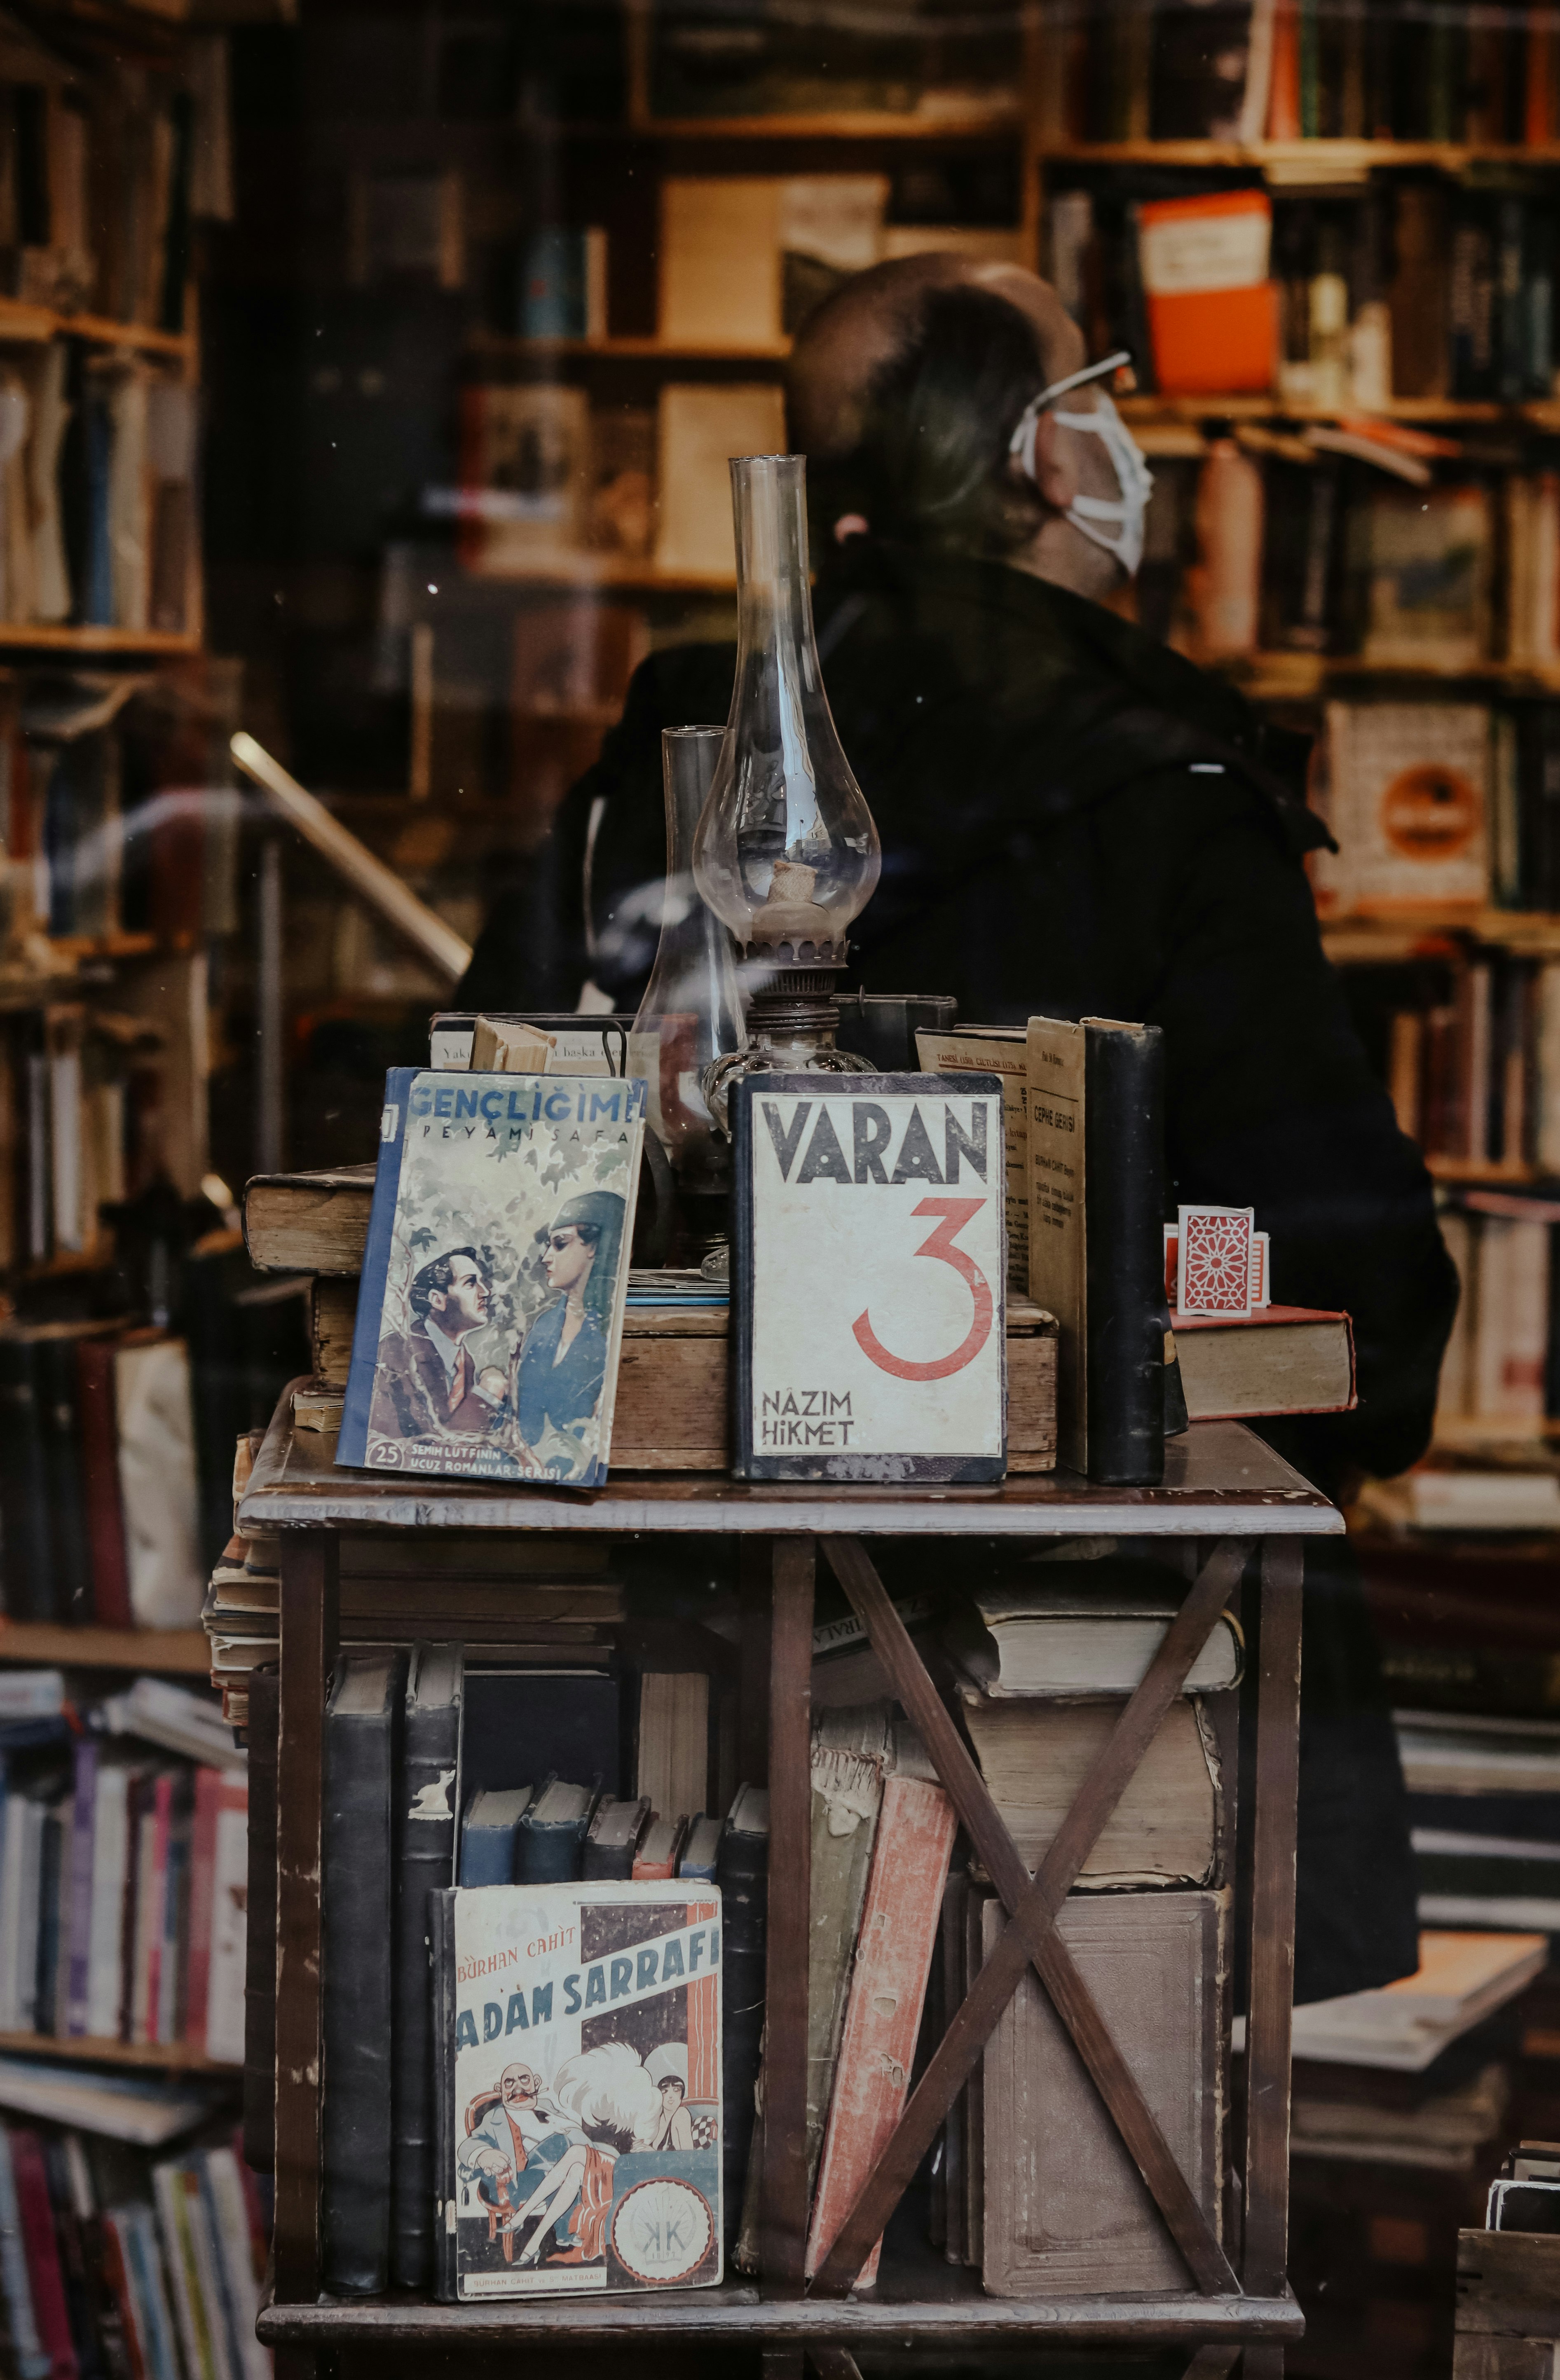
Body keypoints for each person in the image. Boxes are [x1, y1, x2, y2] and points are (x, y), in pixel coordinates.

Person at [458, 254, 1459, 2006]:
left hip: (696, 1697)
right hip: (1113, 1720)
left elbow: (501, 1160)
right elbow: (1354, 1299)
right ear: (1040, 458)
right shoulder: (1167, 796)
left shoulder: (669, 769)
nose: (1126, 440)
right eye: (1106, 396)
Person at [511, 1189, 626, 1454]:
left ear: (595, 1247)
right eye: (549, 1245)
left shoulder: (612, 1326)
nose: (546, 1257)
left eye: (561, 1244)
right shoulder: (544, 1325)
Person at [371, 1244, 506, 1440]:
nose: (485, 1292)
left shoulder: (465, 1363)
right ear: (437, 1300)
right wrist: (487, 1396)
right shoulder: (397, 1352)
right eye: (470, 1283)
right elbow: (434, 1446)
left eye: (481, 1283)